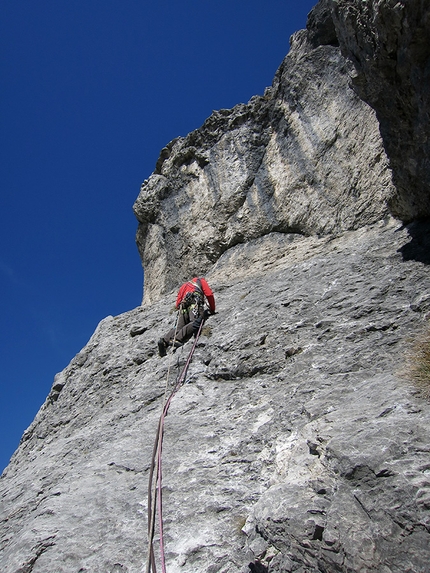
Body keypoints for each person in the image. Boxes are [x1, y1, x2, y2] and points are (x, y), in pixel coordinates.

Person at [158, 277, 215, 357]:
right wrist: (212, 309)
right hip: (195, 304)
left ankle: (164, 341)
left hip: (183, 309)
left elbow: (178, 304)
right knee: (195, 322)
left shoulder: (183, 286)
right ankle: (177, 338)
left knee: (178, 327)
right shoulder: (201, 280)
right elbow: (209, 294)